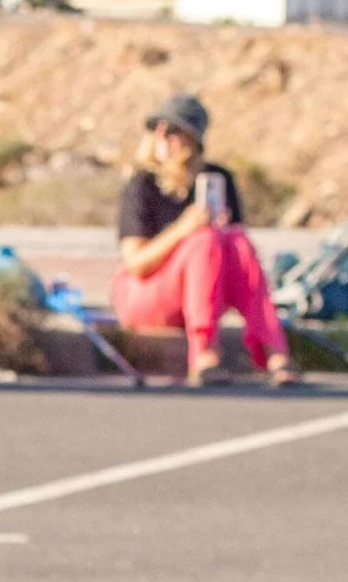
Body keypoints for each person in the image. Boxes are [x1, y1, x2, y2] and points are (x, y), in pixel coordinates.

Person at [113, 93, 296, 385]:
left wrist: (221, 232)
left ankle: (275, 350)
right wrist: (183, 230)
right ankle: (204, 352)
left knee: (235, 240)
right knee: (202, 241)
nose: (164, 137)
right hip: (147, 294)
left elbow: (240, 264)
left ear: (193, 139)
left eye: (174, 130)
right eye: (159, 128)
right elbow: (136, 264)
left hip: (204, 292)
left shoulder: (218, 178)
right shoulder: (142, 185)